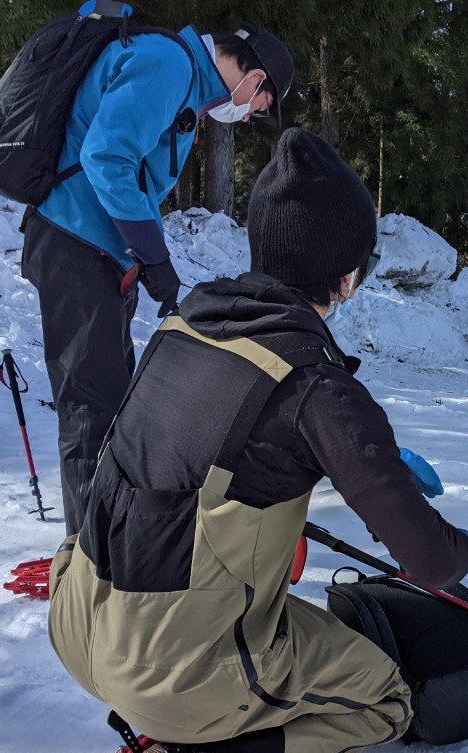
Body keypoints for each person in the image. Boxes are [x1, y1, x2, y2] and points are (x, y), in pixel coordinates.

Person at [46, 128, 468, 753]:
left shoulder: (185, 324)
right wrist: (463, 552)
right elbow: (425, 560)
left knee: (263, 615)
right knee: (382, 698)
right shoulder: (318, 386)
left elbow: (214, 456)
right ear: (349, 277)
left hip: (79, 622)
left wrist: (354, 465)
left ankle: (188, 712)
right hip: (163, 670)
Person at [21, 11, 294, 534]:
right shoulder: (168, 64)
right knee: (90, 410)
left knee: (112, 403)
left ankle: (106, 542)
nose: (253, 114)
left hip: (98, 251)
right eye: (261, 107)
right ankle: (86, 564)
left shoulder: (184, 78)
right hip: (75, 242)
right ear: (256, 80)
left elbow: (135, 174)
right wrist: (152, 254)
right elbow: (106, 157)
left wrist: (143, 256)